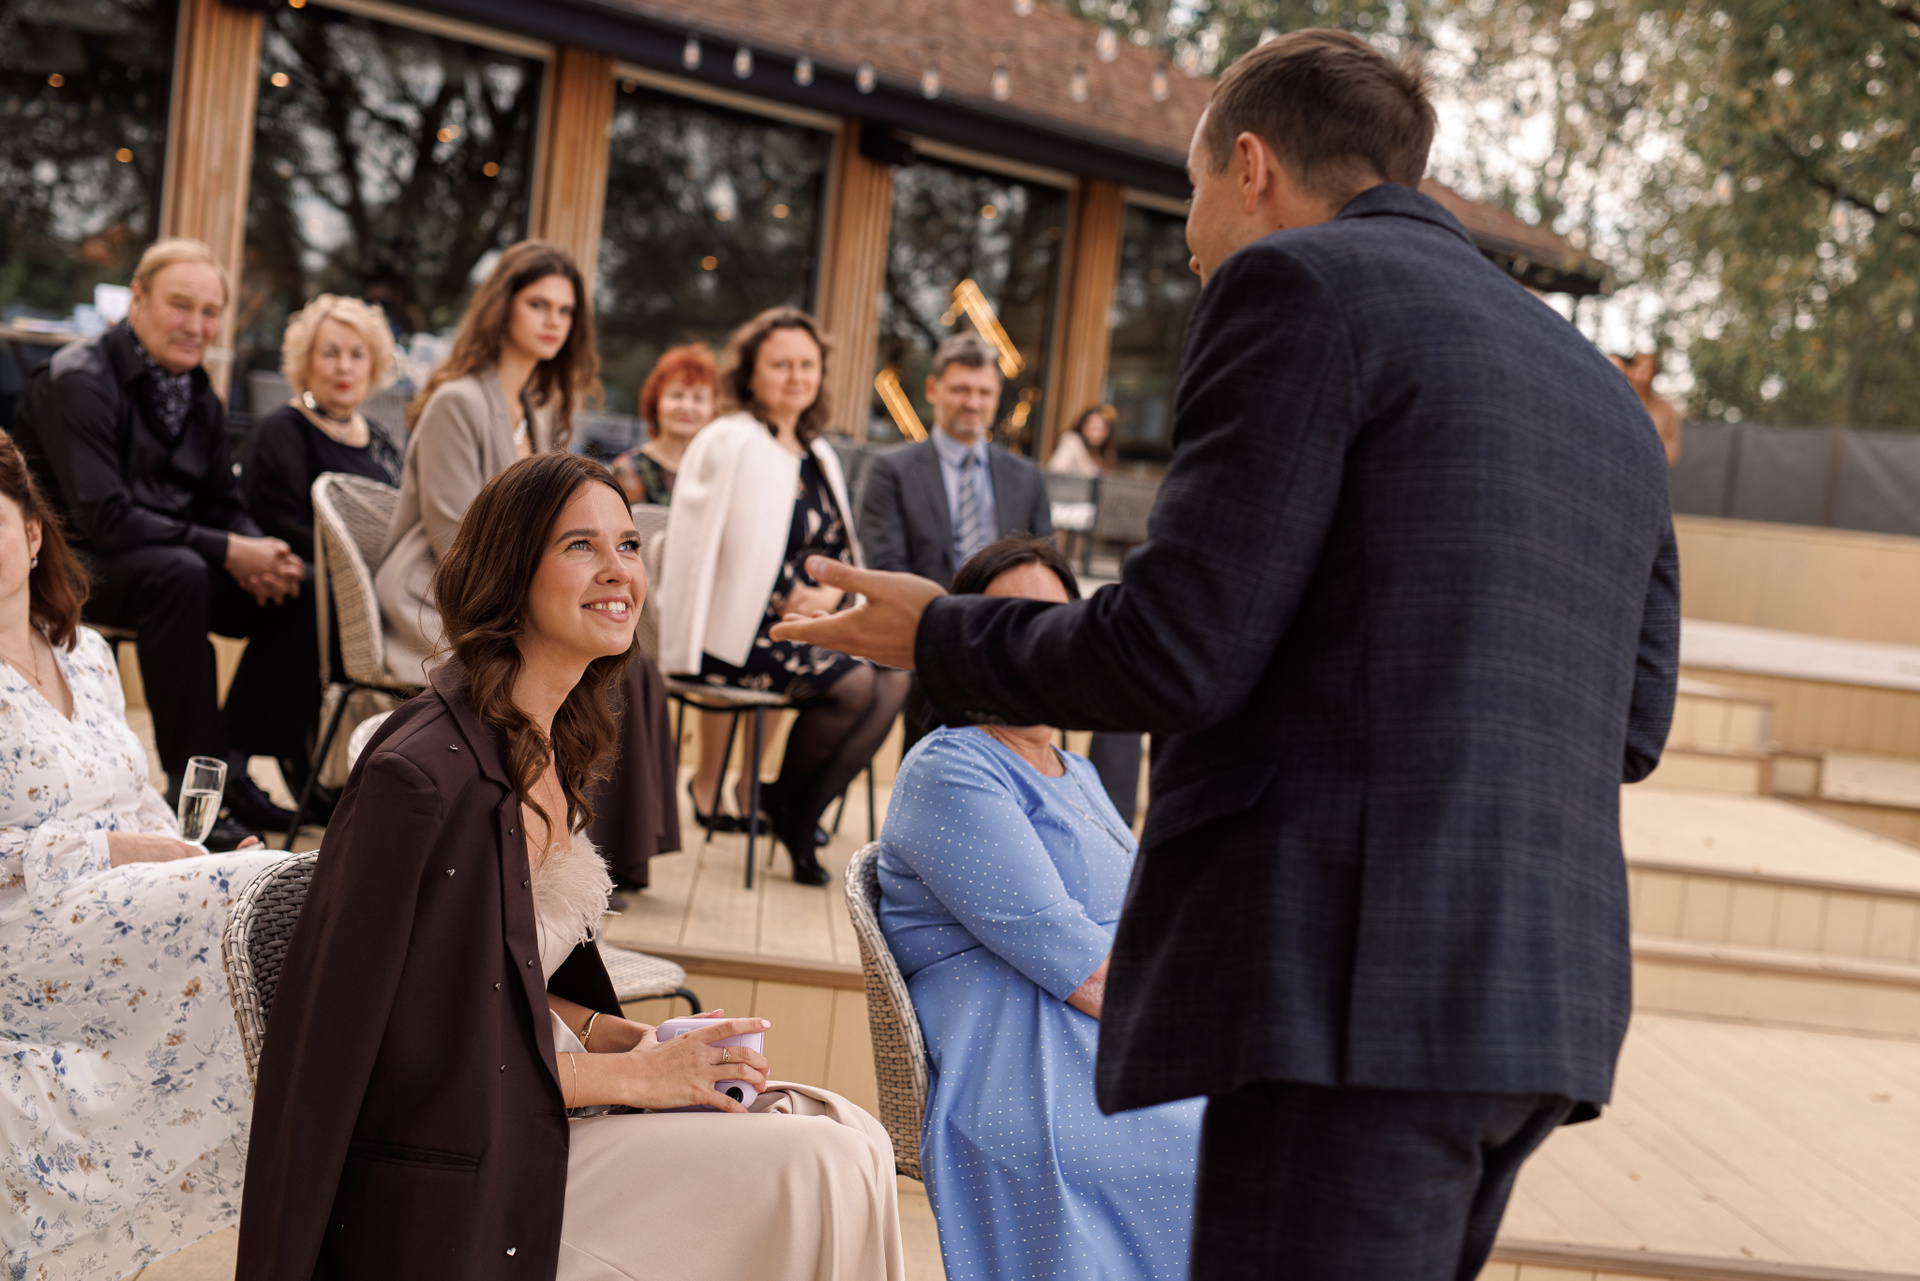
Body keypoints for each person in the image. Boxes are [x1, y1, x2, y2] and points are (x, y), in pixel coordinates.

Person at [772, 29, 1679, 1281]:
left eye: (1190, 191)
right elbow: (1633, 726)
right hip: (1540, 999)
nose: (1193, 241)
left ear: (1250, 166)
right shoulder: (1602, 396)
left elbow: (1177, 647)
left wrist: (939, 633)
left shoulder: (1297, 286)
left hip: (1339, 984)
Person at [236, 452, 903, 1281]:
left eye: (629, 544)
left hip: (550, 1099)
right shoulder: (422, 774)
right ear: (511, 572)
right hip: (471, 1161)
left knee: (848, 1130)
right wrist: (635, 1075)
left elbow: (500, 979)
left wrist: (636, 1037)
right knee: (820, 1164)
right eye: (580, 545)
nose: (618, 570)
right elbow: (409, 1047)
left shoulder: (551, 742)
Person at [878, 536, 1201, 1281]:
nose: (1027, 648)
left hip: (1102, 1034)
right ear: (961, 643)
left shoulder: (1077, 768)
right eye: (1004, 623)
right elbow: (1080, 966)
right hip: (1030, 1063)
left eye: (1048, 626)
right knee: (1244, 1144)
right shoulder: (952, 766)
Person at [0, 430, 280, 1278]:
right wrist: (120, 849)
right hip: (27, 920)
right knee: (273, 893)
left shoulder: (85, 653)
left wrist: (193, 856)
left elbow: (133, 795)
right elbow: (116, 831)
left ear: (33, 533)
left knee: (277, 884)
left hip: (119, 899)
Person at [375, 241, 677, 894]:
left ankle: (604, 855)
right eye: (538, 304)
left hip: (530, 583)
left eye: (565, 311)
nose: (553, 321)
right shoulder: (457, 401)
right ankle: (575, 855)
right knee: (609, 665)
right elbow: (459, 534)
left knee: (635, 660)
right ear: (502, 307)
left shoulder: (536, 410)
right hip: (452, 588)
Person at [12, 238, 314, 846]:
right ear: (138, 299)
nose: (196, 326)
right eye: (181, 305)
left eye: (210, 312)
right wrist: (227, 550)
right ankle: (196, 795)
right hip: (67, 563)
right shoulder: (79, 381)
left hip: (167, 558)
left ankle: (231, 766)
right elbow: (104, 518)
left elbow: (221, 504)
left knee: (300, 587)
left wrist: (260, 552)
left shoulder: (198, 392)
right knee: (180, 575)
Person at [658, 308, 908, 887]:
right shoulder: (729, 439)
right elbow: (707, 545)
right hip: (736, 632)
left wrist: (829, 595)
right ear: (750, 373)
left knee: (894, 678)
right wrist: (790, 598)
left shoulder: (819, 453)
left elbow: (839, 549)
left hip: (805, 625)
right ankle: (793, 813)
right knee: (853, 687)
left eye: (807, 365)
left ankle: (794, 804)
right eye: (781, 365)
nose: (796, 376)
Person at [855, 332, 1053, 587]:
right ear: (932, 390)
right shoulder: (891, 471)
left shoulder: (1026, 477)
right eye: (961, 390)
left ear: (997, 396)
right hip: (923, 610)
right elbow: (887, 570)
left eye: (984, 392)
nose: (972, 403)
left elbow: (1045, 567)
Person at [243, 293, 404, 561]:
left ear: (373, 365)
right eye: (330, 353)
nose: (344, 367)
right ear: (306, 363)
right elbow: (284, 533)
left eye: (357, 355)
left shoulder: (379, 436)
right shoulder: (282, 432)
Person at [609, 342, 718, 505]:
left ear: (713, 410)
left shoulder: (720, 471)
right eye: (677, 395)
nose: (687, 407)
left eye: (698, 398)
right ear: (656, 402)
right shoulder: (629, 467)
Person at [1610, 352, 1682, 464]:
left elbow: (1672, 452)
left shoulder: (1666, 409)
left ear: (1653, 375)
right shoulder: (1616, 403)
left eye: (1645, 371)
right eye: (1635, 368)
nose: (1639, 376)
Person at [1046, 405, 1115, 477]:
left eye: (1102, 429)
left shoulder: (1101, 454)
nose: (1097, 434)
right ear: (1084, 427)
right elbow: (1056, 470)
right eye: (1095, 428)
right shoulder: (1071, 442)